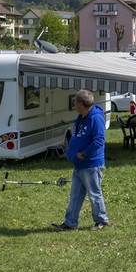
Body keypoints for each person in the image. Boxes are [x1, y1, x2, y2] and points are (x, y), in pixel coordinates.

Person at [52, 90, 109, 231]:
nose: (73, 104)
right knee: (75, 195)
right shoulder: (82, 116)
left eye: (75, 102)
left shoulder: (95, 118)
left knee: (94, 194)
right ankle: (70, 223)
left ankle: (102, 221)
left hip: (91, 164)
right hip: (79, 165)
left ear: (81, 104)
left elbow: (99, 140)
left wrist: (84, 153)